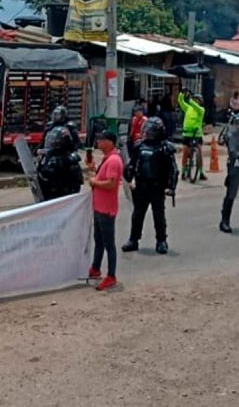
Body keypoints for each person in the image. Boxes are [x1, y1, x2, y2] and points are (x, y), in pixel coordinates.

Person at [122, 118, 178, 255]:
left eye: (151, 131)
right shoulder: (139, 146)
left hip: (157, 187)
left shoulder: (165, 147)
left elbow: (173, 169)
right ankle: (133, 240)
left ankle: (161, 241)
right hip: (141, 186)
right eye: (146, 131)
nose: (147, 133)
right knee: (137, 215)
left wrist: (171, 186)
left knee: (158, 215)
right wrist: (128, 176)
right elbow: (132, 163)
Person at [87, 130, 124, 291]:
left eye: (101, 140)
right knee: (99, 241)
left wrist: (94, 182)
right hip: (99, 207)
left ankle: (111, 275)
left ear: (109, 142)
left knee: (109, 243)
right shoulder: (107, 159)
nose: (98, 142)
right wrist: (93, 169)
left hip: (107, 209)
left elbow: (110, 184)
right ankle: (95, 268)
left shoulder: (114, 160)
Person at [37, 125, 83, 201]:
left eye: (54, 139)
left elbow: (48, 172)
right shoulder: (50, 155)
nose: (53, 141)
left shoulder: (70, 158)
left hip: (64, 194)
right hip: (52, 194)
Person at [178, 91, 207, 181]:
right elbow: (180, 101)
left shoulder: (201, 110)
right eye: (195, 99)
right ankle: (183, 171)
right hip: (187, 134)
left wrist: (190, 100)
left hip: (196, 135)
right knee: (185, 153)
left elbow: (194, 105)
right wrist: (182, 93)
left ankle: (201, 172)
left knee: (200, 152)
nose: (195, 101)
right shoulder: (188, 108)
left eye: (197, 100)